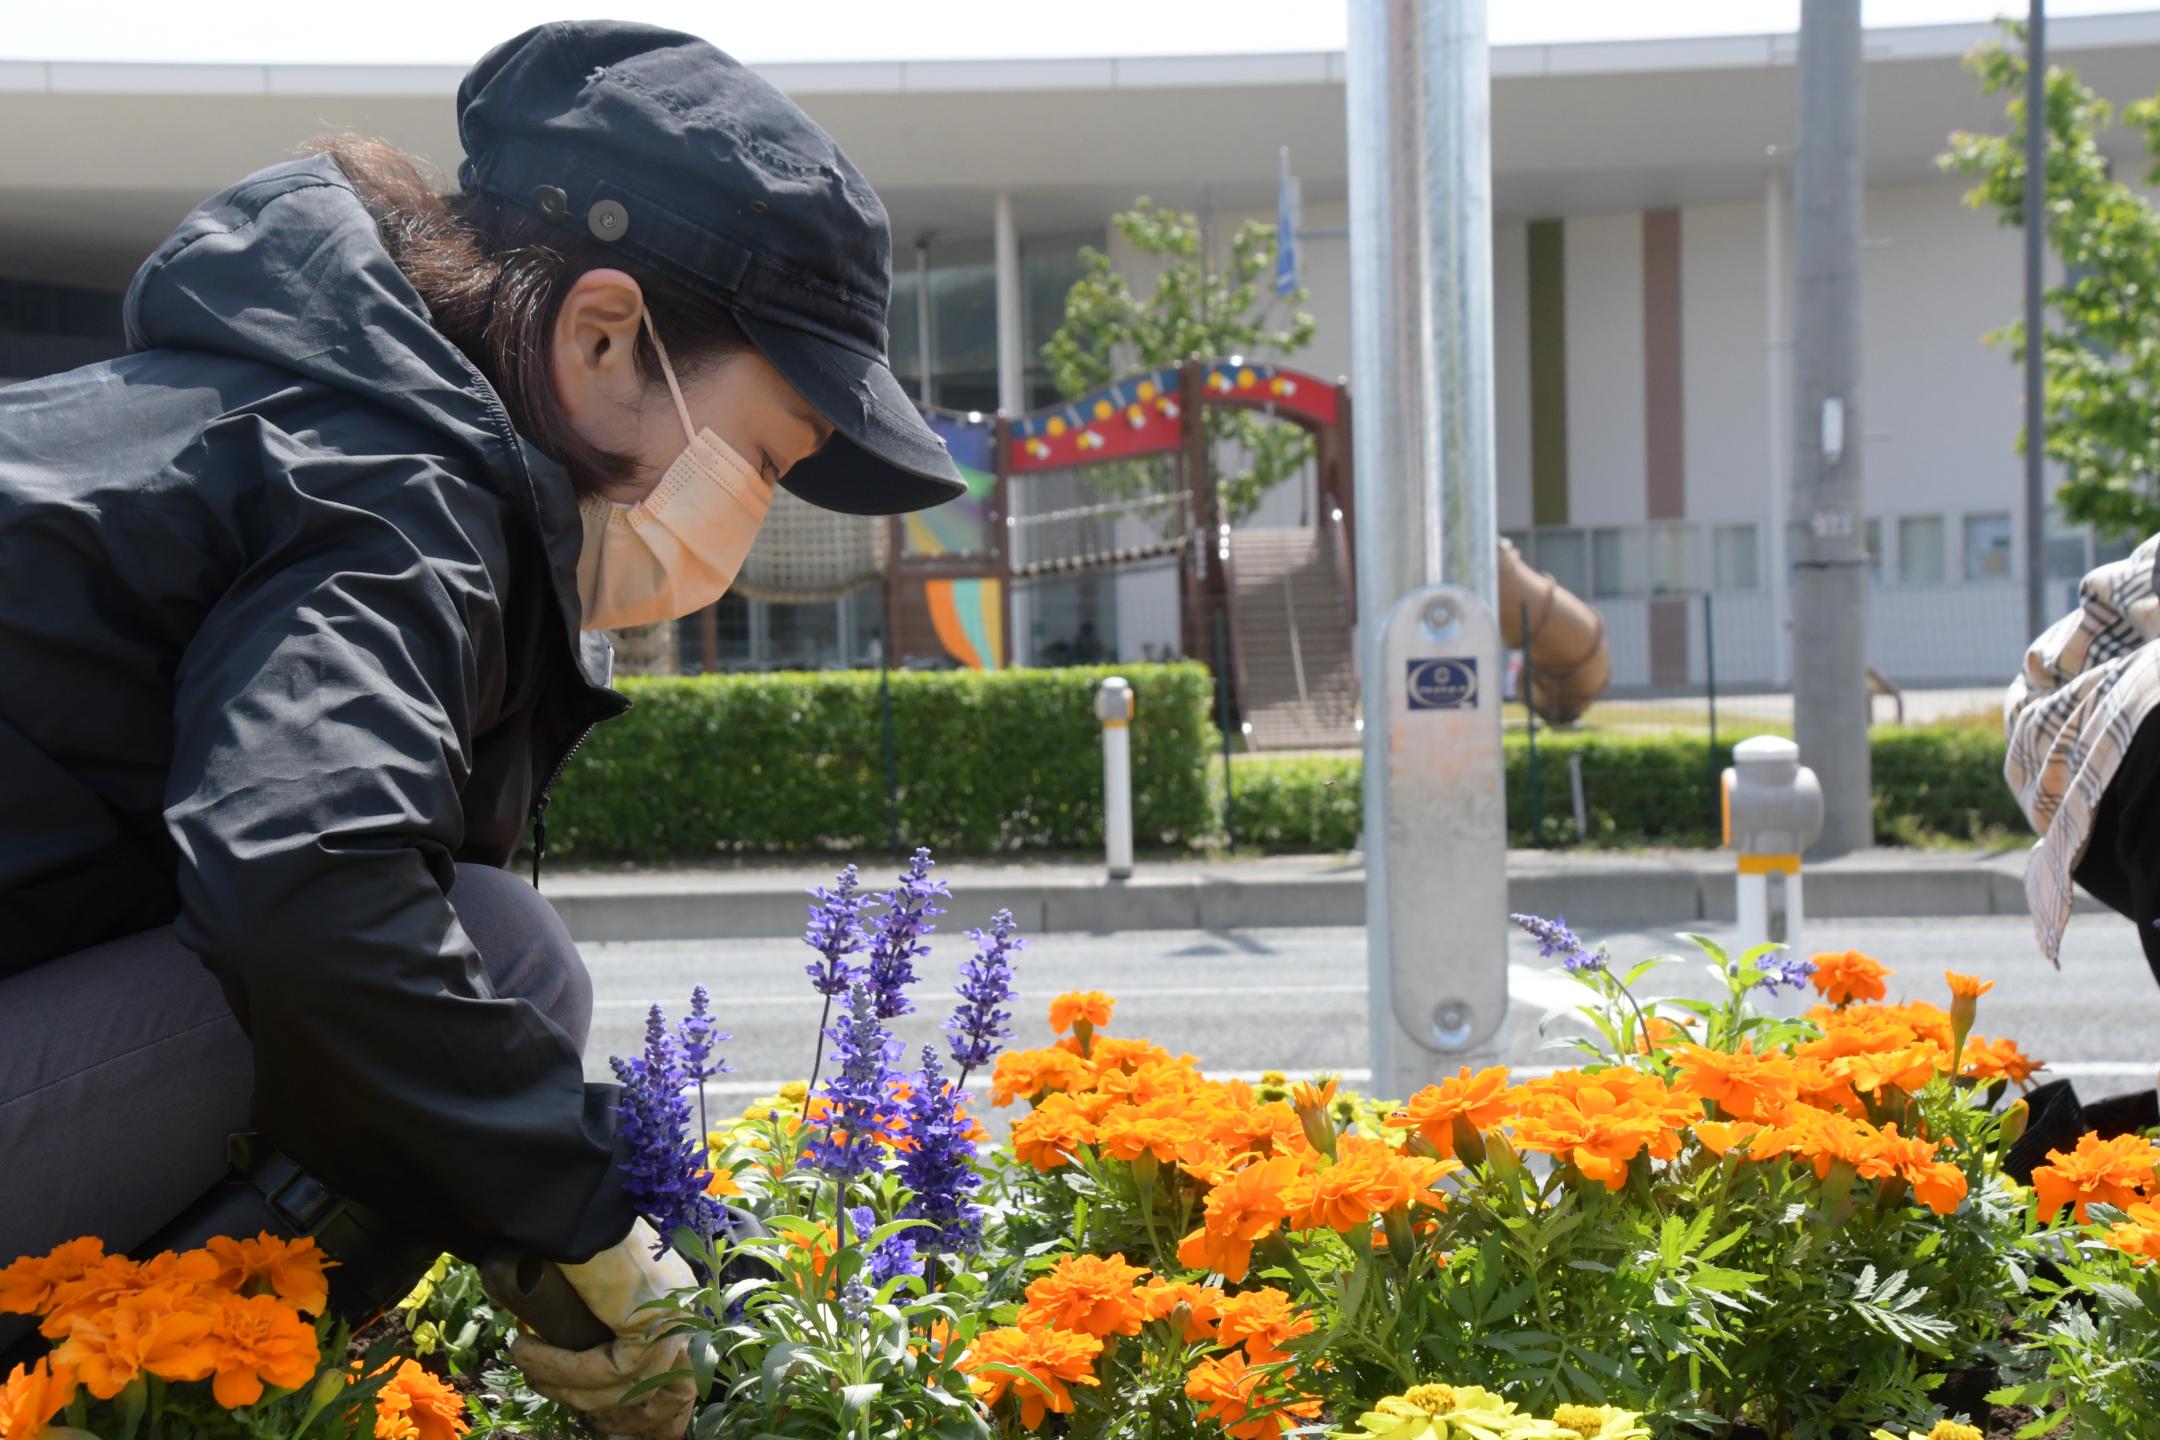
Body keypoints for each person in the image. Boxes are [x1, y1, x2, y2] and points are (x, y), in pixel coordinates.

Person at [0, 20, 962, 1438]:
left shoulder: (288, 422)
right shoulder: (382, 491)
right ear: (601, 334)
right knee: (495, 964)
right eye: (764, 457)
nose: (750, 523)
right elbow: (306, 889)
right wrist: (572, 1217)